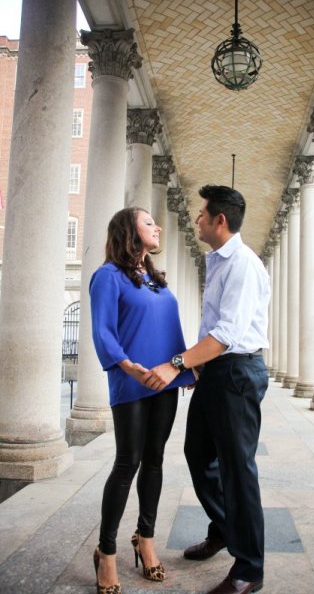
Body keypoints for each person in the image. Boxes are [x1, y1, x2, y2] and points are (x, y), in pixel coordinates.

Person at [143, 185, 270, 594]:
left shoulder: (243, 265)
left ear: (220, 220)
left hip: (236, 373)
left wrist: (178, 363)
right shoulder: (217, 261)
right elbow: (212, 324)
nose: (196, 218)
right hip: (214, 374)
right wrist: (199, 367)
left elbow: (227, 332)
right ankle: (225, 530)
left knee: (238, 470)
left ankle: (249, 569)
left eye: (201, 214)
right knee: (198, 453)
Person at [89, 207, 194, 594]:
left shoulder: (158, 281)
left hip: (164, 384)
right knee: (127, 462)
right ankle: (107, 552)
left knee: (155, 460)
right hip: (131, 383)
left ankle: (145, 540)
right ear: (129, 232)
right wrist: (129, 367)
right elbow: (102, 330)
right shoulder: (107, 276)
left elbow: (171, 329)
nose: (158, 227)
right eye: (149, 222)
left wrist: (185, 371)